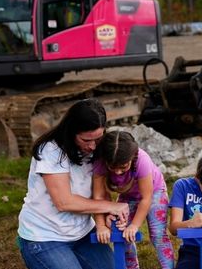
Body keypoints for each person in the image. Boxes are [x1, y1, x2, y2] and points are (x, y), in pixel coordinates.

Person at [17, 98, 130, 269]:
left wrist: (107, 217)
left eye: (98, 139)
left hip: (83, 233)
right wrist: (111, 206)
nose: (93, 146)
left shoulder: (98, 149)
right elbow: (64, 202)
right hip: (44, 236)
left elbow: (99, 191)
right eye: (86, 140)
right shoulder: (51, 150)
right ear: (71, 132)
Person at [92, 130, 175, 269]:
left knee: (158, 235)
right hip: (127, 196)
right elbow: (99, 197)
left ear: (132, 157)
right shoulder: (99, 161)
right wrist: (100, 225)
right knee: (122, 234)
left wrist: (134, 226)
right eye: (112, 167)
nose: (118, 172)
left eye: (123, 167)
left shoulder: (142, 159)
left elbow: (146, 198)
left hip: (154, 193)